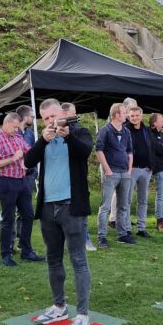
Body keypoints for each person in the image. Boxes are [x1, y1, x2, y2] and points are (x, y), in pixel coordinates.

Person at [23, 99, 94, 325]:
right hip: (48, 208)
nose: (51, 122)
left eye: (54, 116)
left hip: (72, 207)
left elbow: (85, 151)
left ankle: (82, 314)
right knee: (53, 259)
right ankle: (59, 306)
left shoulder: (79, 132)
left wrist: (67, 135)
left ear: (62, 114)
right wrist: (43, 139)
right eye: (46, 119)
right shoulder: (45, 138)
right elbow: (27, 162)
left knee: (78, 261)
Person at [0, 113, 44, 266]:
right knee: (8, 218)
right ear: (6, 123)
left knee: (28, 215)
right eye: (14, 127)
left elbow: (29, 151)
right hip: (5, 182)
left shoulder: (18, 137)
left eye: (18, 127)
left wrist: (27, 159)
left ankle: (26, 250)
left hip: (21, 180)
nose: (16, 130)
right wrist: (12, 159)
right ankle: (6, 254)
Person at [95, 103, 134, 247]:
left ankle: (122, 234)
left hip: (125, 172)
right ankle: (102, 237)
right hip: (111, 172)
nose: (127, 115)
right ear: (117, 115)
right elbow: (99, 150)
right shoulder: (105, 130)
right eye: (125, 113)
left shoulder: (126, 131)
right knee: (105, 206)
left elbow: (130, 151)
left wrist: (129, 170)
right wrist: (107, 169)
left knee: (123, 205)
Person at [63, 103, 95, 251]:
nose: (74, 116)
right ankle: (65, 240)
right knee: (62, 210)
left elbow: (85, 150)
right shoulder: (53, 133)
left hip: (78, 177)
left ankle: (85, 239)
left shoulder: (82, 131)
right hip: (61, 178)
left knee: (81, 210)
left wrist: (68, 135)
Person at [125, 106, 153, 238]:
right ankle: (127, 228)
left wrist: (151, 164)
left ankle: (141, 228)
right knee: (127, 199)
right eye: (132, 116)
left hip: (146, 170)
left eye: (137, 115)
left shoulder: (146, 131)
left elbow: (151, 148)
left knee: (143, 200)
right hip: (131, 169)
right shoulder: (125, 130)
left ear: (141, 116)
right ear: (128, 117)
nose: (134, 118)